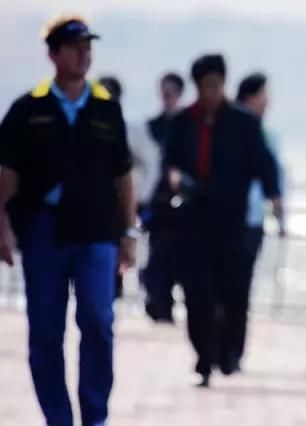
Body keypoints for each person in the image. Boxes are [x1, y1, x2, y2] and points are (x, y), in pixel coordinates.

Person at [0, 15, 137, 426]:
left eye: (88, 47)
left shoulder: (106, 109)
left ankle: (95, 415)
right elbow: (6, 175)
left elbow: (124, 177)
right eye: (75, 47)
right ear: (54, 54)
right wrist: (1, 227)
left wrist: (129, 233)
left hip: (97, 231)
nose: (84, 54)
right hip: (44, 231)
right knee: (45, 332)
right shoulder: (28, 109)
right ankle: (58, 418)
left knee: (98, 320)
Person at [165, 54, 282, 387]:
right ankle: (203, 358)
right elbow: (170, 161)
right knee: (197, 294)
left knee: (233, 293)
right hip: (193, 222)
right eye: (205, 87)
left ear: (224, 84)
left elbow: (265, 165)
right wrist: (175, 179)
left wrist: (276, 201)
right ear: (197, 87)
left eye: (216, 85)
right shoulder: (183, 122)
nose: (211, 92)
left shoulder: (244, 122)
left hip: (232, 225)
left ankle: (229, 355)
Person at [235, 72, 286, 360]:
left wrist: (280, 216)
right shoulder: (228, 127)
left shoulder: (268, 135)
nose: (268, 103)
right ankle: (224, 349)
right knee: (228, 286)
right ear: (250, 97)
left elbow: (275, 178)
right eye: (264, 96)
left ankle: (234, 352)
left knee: (241, 286)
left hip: (253, 221)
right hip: (228, 219)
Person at [98, 75, 160, 300]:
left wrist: (142, 197)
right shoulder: (83, 125)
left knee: (116, 256)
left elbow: (151, 162)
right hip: (91, 205)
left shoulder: (129, 129)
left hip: (120, 204)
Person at [143, 72, 185, 322]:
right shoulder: (152, 127)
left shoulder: (186, 125)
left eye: (170, 93)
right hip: (158, 203)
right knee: (157, 256)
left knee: (179, 256)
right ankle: (159, 304)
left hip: (182, 206)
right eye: (164, 93)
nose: (166, 98)